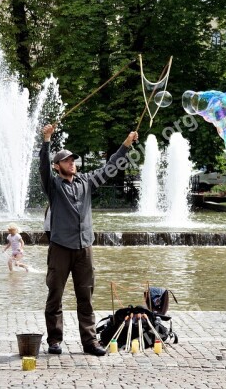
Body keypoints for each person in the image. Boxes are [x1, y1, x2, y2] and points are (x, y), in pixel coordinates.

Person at [39, 124, 138, 356]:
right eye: (66, 160)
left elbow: (111, 166)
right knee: (55, 295)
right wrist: (46, 140)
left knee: (86, 297)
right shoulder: (53, 185)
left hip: (84, 248)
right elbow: (43, 167)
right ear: (57, 166)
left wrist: (125, 144)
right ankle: (54, 340)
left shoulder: (86, 181)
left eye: (73, 160)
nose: (71, 162)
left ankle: (90, 342)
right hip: (60, 248)